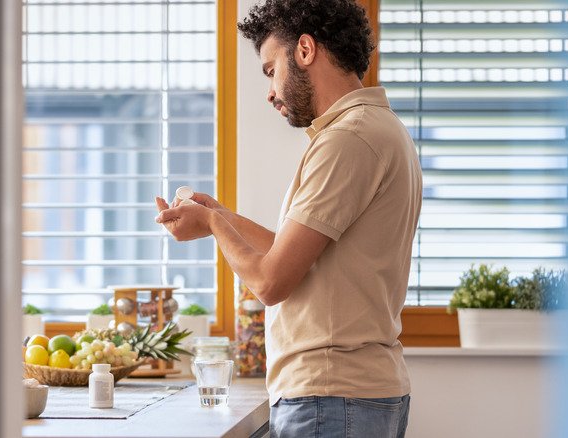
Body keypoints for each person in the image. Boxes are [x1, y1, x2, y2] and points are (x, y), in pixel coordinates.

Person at [154, 0, 422, 436]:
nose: (270, 91)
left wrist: (214, 226)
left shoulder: (348, 140)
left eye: (269, 69)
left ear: (304, 50)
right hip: (354, 394)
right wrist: (217, 213)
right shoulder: (375, 129)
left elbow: (271, 282)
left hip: (331, 396)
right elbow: (296, 255)